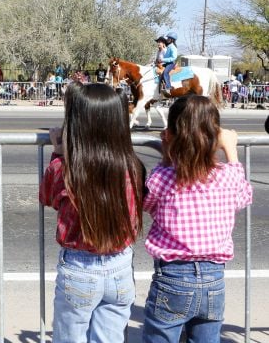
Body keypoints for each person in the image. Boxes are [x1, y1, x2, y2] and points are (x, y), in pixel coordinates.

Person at [142, 95, 253, 343]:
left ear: (170, 135)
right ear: (216, 135)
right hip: (214, 278)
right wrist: (231, 150)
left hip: (172, 276)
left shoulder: (163, 177)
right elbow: (244, 197)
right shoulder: (228, 176)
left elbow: (146, 203)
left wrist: (166, 157)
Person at [39, 83, 145, 343]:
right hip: (120, 266)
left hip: (79, 268)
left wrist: (57, 153)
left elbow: (48, 198)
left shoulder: (64, 169)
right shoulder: (133, 166)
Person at [160, 31, 178, 96]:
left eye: (168, 38)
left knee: (165, 73)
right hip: (166, 62)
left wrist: (163, 60)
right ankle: (161, 86)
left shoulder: (173, 47)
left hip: (171, 63)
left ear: (172, 40)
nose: (167, 39)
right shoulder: (169, 46)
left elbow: (174, 57)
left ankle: (168, 87)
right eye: (167, 38)